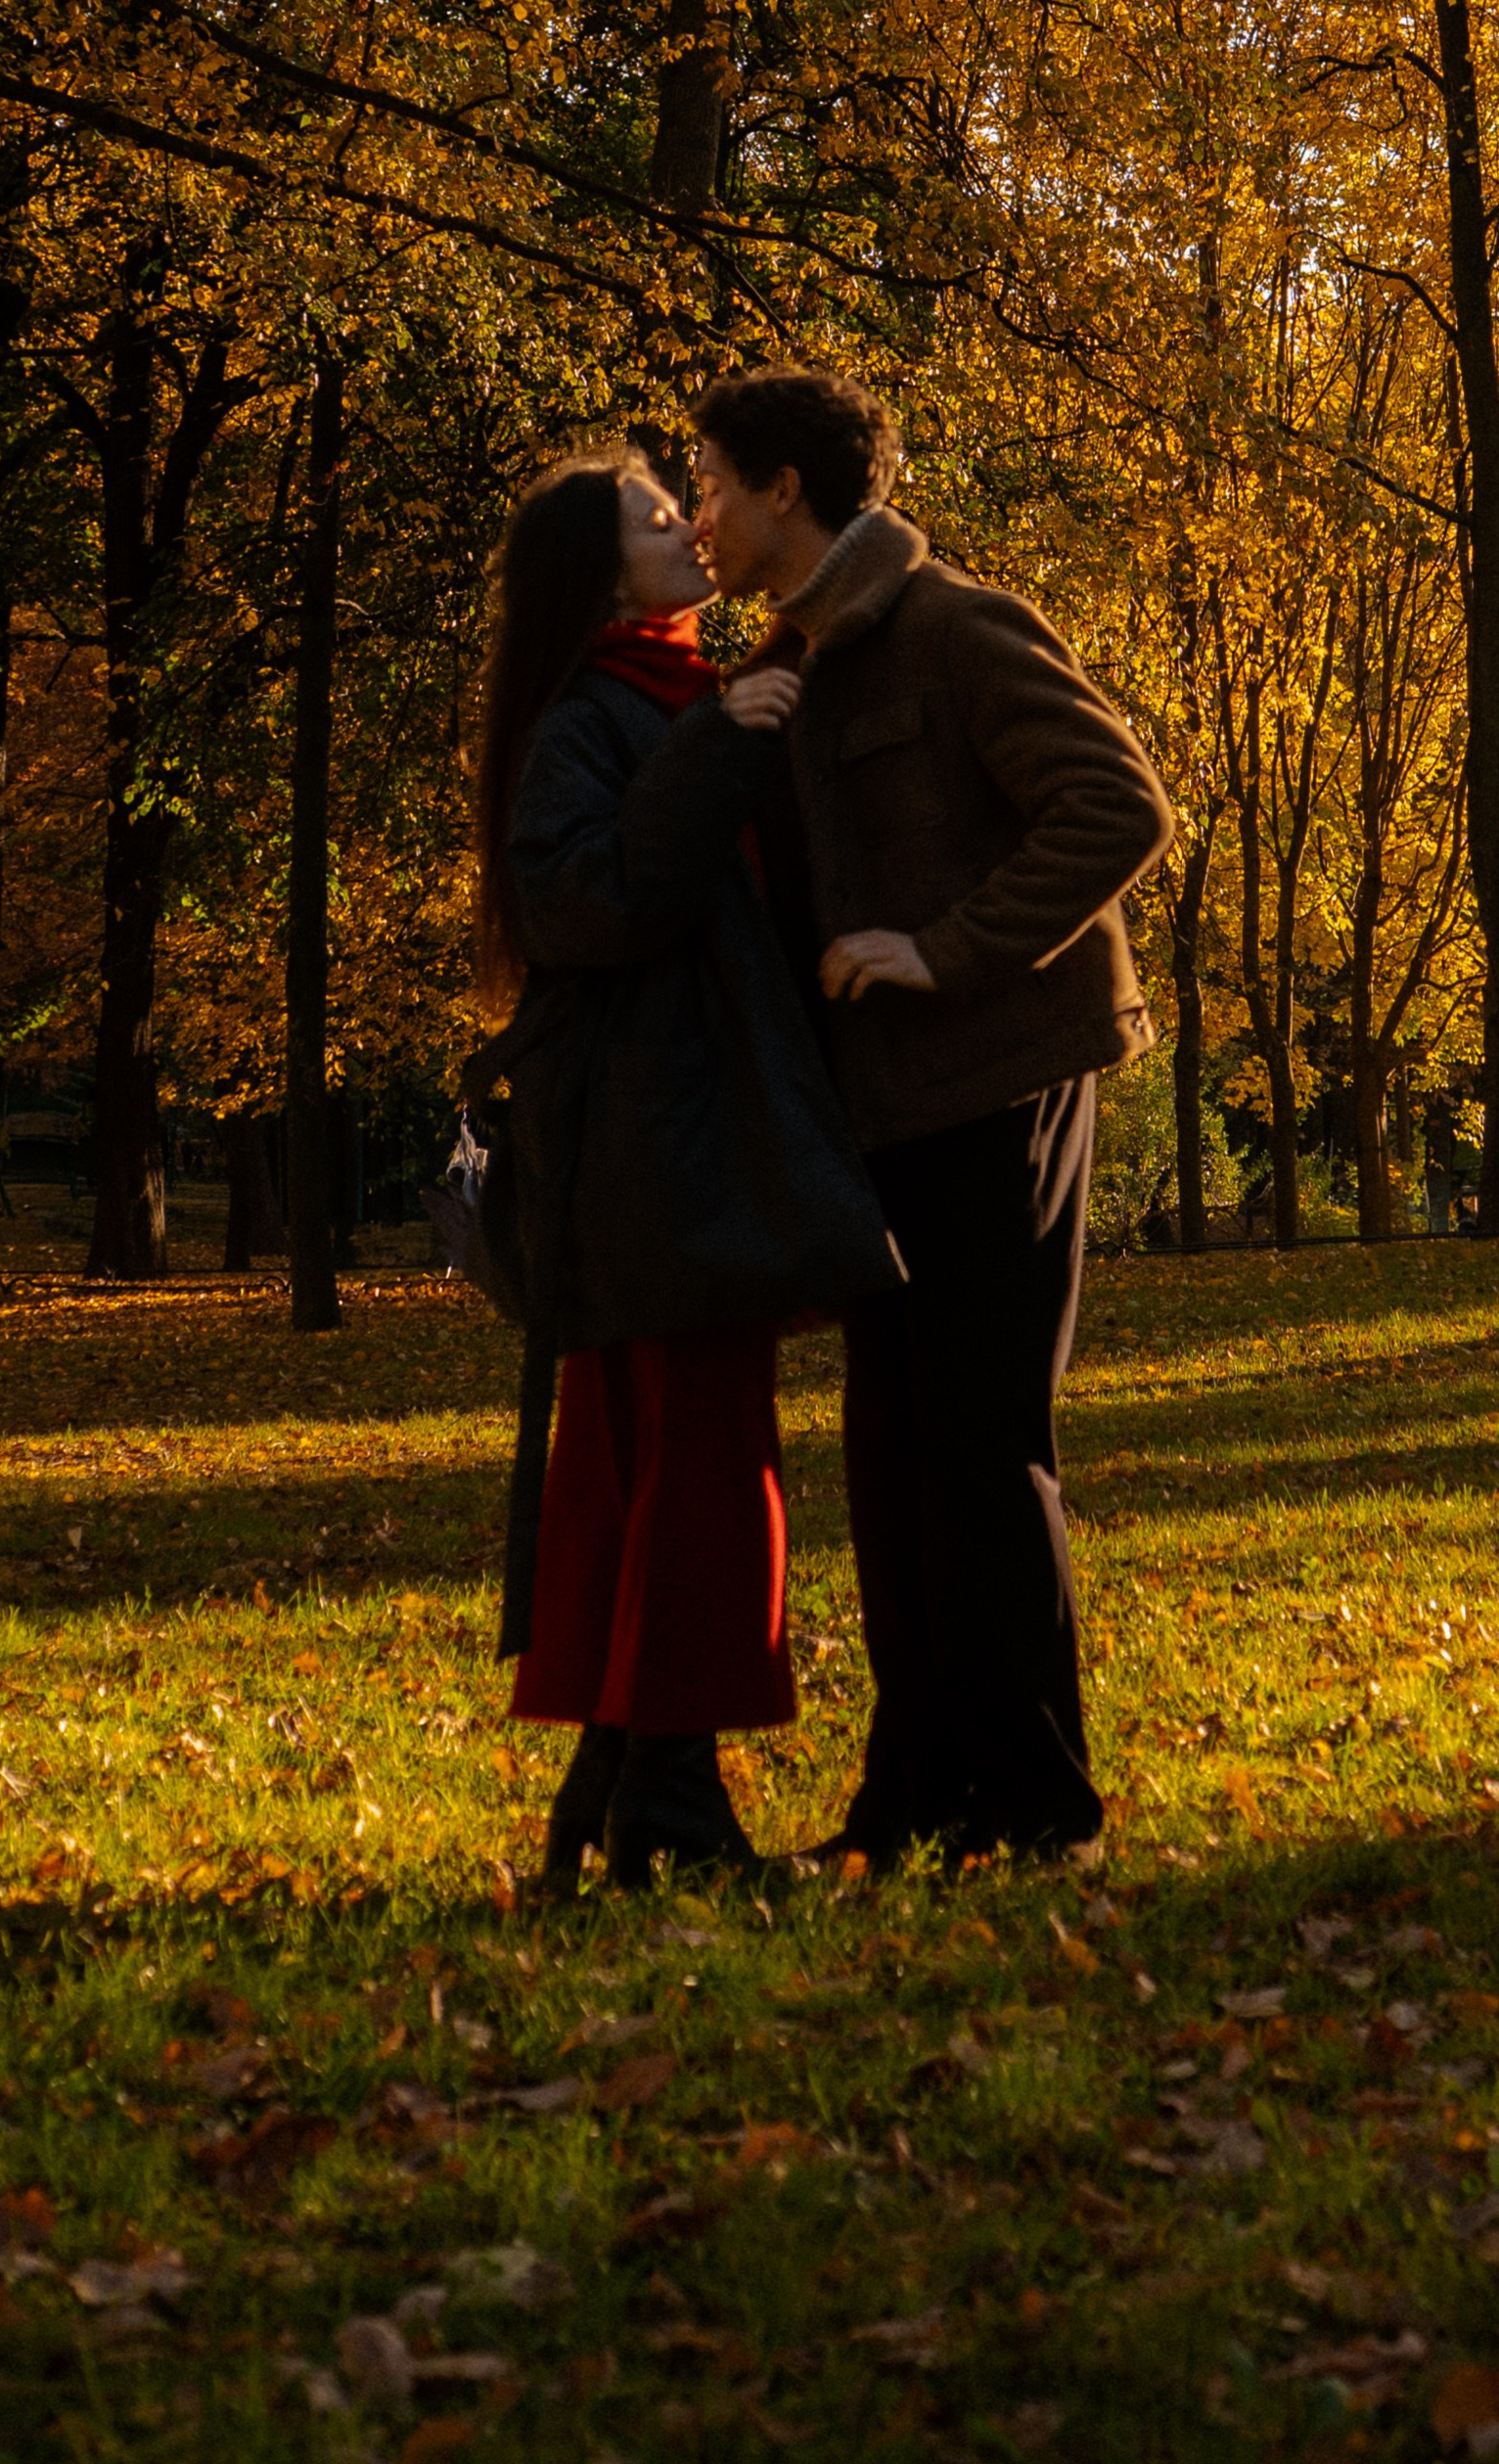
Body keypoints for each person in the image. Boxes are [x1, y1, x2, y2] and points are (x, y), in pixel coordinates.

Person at [691, 364, 1174, 1868]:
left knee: (980, 1451)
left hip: (1000, 1085)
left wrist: (946, 949)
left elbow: (1118, 807)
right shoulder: (792, 660)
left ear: (786, 490)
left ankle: (1041, 1813)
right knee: (896, 1463)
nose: (698, 516)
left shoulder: (955, 626)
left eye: (710, 483)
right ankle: (909, 1806)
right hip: (880, 1118)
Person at [472, 444, 892, 1887]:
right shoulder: (592, 717)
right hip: (649, 1157)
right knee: (698, 1470)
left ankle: (623, 1780)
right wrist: (719, 743)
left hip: (691, 1139)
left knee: (665, 1466)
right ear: (603, 578)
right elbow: (581, 905)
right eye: (659, 520)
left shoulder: (675, 695)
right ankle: (671, 1798)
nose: (691, 530)